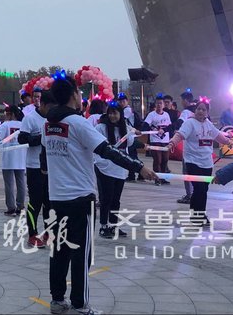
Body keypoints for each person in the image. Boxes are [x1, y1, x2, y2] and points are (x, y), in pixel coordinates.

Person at [43, 72, 154, 314]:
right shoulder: (78, 123)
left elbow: (46, 157)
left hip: (57, 198)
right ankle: (80, 304)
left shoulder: (49, 125)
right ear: (74, 95)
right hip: (80, 198)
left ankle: (57, 300)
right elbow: (106, 150)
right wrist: (139, 167)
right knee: (81, 253)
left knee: (59, 250)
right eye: (78, 92)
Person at [160, 99, 233, 224]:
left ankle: (199, 215)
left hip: (207, 163)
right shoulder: (189, 123)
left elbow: (217, 135)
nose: (200, 111)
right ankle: (197, 216)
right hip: (192, 161)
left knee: (203, 190)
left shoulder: (208, 124)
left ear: (207, 112)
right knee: (198, 188)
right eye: (199, 109)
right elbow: (180, 135)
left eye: (203, 109)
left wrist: (228, 142)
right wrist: (172, 143)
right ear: (195, 110)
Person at [18, 89, 56, 249]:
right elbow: (22, 138)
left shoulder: (54, 118)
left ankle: (48, 232)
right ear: (43, 104)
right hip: (34, 167)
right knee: (35, 202)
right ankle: (32, 234)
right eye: (51, 107)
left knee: (50, 202)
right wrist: (41, 138)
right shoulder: (30, 118)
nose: (53, 110)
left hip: (51, 167)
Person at [94, 101, 137, 238]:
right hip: (104, 167)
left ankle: (113, 226)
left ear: (121, 114)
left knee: (116, 200)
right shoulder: (101, 127)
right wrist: (101, 162)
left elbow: (130, 142)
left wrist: (132, 131)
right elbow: (96, 146)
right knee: (106, 199)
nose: (112, 116)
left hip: (120, 168)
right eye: (110, 113)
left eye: (115, 113)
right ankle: (103, 226)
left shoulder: (125, 127)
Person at [0, 105, 26, 217]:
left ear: (11, 114)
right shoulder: (23, 125)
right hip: (21, 157)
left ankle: (11, 208)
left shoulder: (6, 125)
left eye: (6, 114)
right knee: (21, 183)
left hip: (8, 158)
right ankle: (20, 206)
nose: (5, 116)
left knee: (9, 184)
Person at [143, 94, 172, 185]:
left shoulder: (166, 115)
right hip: (155, 141)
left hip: (165, 141)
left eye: (161, 103)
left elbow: (170, 126)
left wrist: (164, 130)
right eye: (157, 103)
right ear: (155, 104)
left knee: (165, 160)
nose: (159, 105)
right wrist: (152, 128)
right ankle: (157, 178)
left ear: (163, 105)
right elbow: (145, 125)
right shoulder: (151, 115)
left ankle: (163, 177)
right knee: (157, 160)